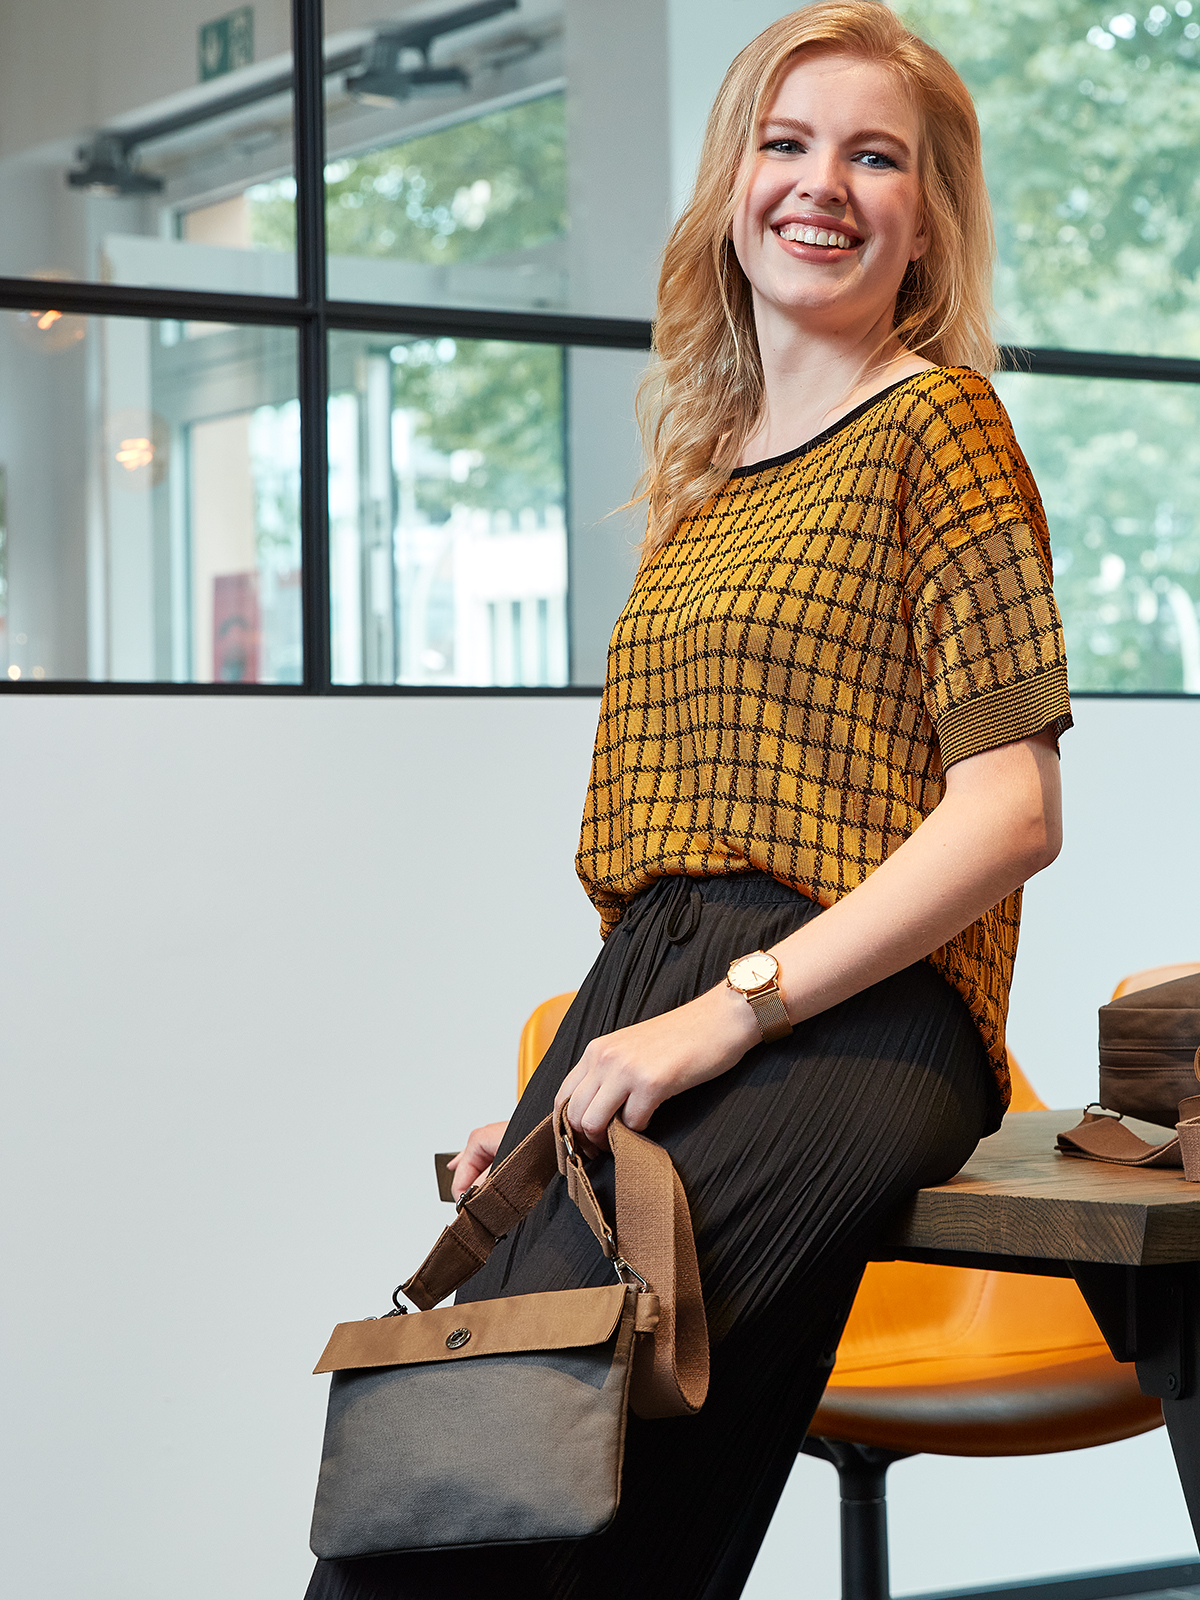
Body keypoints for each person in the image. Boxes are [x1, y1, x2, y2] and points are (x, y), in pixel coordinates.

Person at [305, 4, 1070, 1597]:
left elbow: (1010, 812)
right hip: (655, 995)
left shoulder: (942, 426)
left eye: (876, 157)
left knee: (549, 1497)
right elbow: (680, 859)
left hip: (853, 1015)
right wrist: (564, 1092)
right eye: (786, 144)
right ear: (734, 186)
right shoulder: (705, 488)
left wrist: (725, 1016)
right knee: (461, 1476)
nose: (822, 184)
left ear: (930, 220)